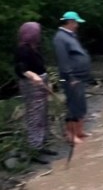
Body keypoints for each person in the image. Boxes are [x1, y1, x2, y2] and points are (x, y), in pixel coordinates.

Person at [14, 22, 58, 165]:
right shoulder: (23, 49)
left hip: (41, 84)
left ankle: (42, 144)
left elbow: (40, 66)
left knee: (43, 115)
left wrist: (46, 80)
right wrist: (33, 76)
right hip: (32, 86)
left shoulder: (34, 48)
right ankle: (34, 149)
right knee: (35, 117)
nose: (38, 35)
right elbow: (21, 69)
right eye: (36, 32)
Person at [52, 11, 92, 144]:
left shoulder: (70, 35)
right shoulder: (60, 38)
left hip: (80, 76)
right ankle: (71, 135)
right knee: (73, 106)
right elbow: (63, 60)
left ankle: (80, 131)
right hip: (71, 78)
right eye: (76, 23)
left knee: (80, 104)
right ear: (69, 22)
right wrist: (70, 77)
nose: (77, 25)